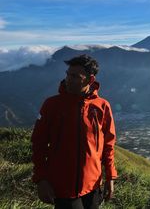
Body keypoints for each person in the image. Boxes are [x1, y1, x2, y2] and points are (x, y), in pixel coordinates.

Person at [31, 54, 118, 208]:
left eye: (75, 76)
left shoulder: (102, 106)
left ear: (90, 80)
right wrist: (41, 179)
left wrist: (110, 176)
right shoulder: (52, 105)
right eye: (67, 75)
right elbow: (38, 143)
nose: (68, 80)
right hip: (62, 188)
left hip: (93, 186)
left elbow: (108, 144)